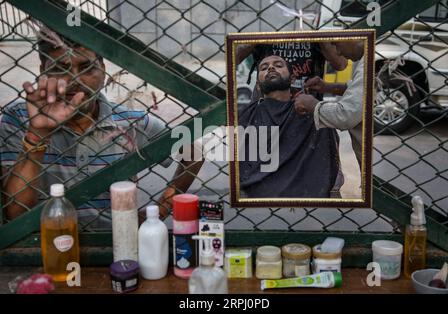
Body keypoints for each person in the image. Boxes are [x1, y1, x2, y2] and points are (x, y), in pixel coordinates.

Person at [0, 30, 200, 221]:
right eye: (60, 68)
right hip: (44, 246)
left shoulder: (131, 122)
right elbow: (16, 214)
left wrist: (161, 209)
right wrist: (38, 134)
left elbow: (194, 153)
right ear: (43, 71)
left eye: (87, 67)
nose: (75, 79)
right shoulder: (19, 118)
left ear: (103, 70)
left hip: (116, 244)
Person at [238, 55, 341, 198]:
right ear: (258, 84)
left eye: (278, 65)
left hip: (307, 196)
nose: (271, 68)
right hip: (256, 195)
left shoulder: (311, 111)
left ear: (292, 79)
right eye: (264, 67)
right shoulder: (247, 115)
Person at [293, 40, 365, 167]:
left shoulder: (368, 63)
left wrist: (313, 105)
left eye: (336, 44)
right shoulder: (364, 59)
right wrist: (328, 87)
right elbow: (357, 89)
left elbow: (346, 115)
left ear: (353, 35)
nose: (338, 52)